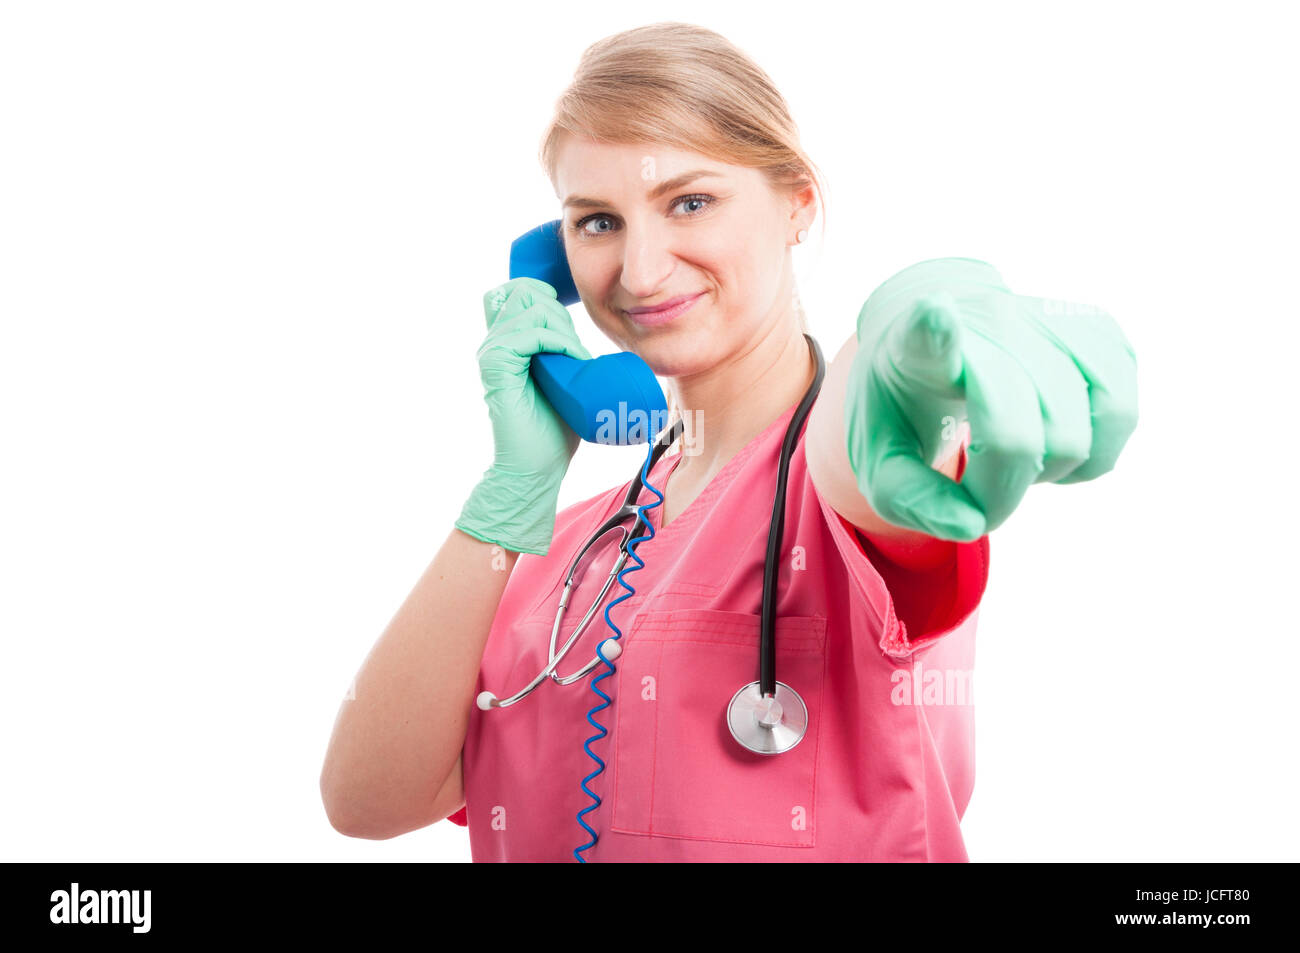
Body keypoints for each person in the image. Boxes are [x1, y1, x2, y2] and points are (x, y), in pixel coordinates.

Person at [319, 22, 1137, 862]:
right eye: (597, 222)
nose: (639, 271)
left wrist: (905, 353)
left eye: (690, 202)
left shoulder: (843, 468)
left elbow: (872, 440)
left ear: (797, 205)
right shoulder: (560, 549)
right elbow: (367, 797)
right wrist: (513, 489)